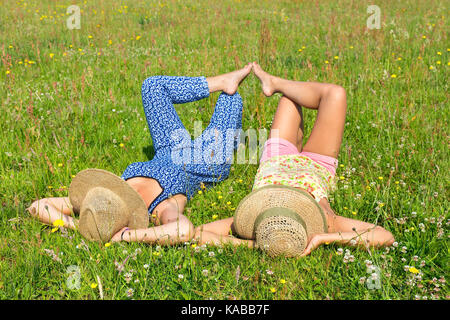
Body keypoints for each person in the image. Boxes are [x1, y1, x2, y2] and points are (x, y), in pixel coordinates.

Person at [27, 64, 253, 245]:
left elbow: (38, 205)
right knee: (230, 99)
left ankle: (223, 79)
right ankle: (228, 93)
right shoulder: (160, 207)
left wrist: (80, 226)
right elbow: (183, 231)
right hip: (206, 160)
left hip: (170, 147)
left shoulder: (102, 198)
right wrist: (124, 236)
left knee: (152, 86)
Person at [193, 62, 395, 256]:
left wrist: (252, 244)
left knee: (289, 99)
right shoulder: (325, 221)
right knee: (335, 94)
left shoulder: (254, 218)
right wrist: (325, 239)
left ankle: (275, 83)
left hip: (277, 160)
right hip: (317, 164)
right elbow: (385, 236)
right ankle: (276, 83)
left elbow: (197, 233)